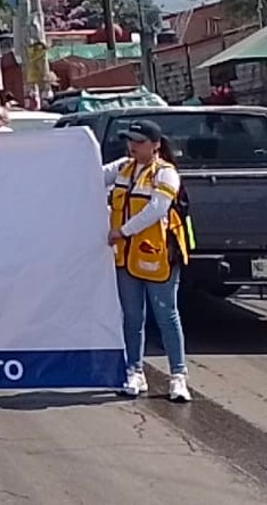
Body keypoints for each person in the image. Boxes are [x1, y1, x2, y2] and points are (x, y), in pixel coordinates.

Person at [103, 120, 191, 402]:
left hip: (158, 256)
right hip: (126, 257)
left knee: (167, 315)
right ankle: (134, 371)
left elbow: (156, 209)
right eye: (130, 140)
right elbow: (89, 176)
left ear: (155, 145)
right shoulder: (123, 168)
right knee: (132, 317)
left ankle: (178, 376)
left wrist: (122, 231)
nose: (132, 146)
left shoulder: (165, 173)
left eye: (139, 141)